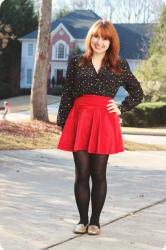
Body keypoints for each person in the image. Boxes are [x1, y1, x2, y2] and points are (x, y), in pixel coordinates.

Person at [55, 20, 144, 235]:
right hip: (79, 119)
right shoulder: (77, 61)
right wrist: (62, 122)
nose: (100, 41)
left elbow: (138, 93)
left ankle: (95, 221)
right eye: (96, 36)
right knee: (81, 174)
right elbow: (67, 93)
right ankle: (82, 220)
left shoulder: (119, 65)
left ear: (111, 41)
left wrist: (121, 106)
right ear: (90, 38)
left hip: (104, 121)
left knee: (99, 174)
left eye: (105, 38)